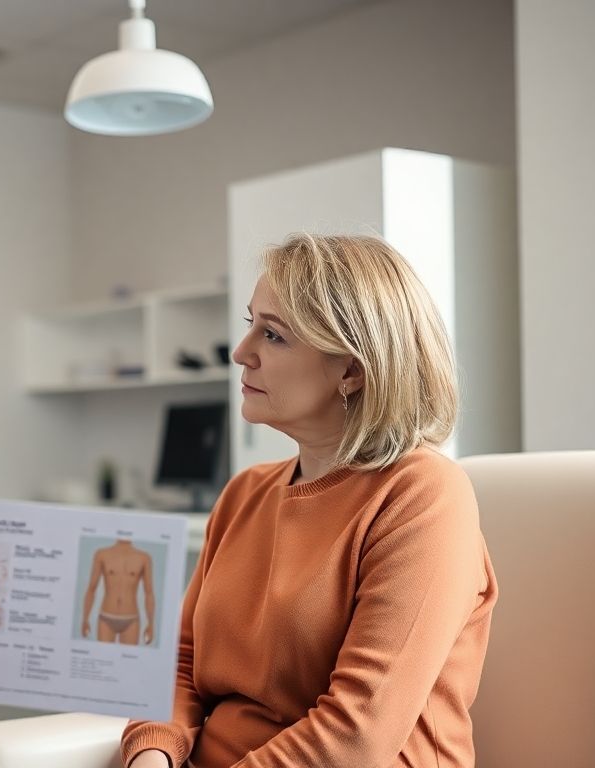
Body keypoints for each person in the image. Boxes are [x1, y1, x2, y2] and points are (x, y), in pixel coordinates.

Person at [124, 234, 498, 767]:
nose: (240, 353)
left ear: (352, 370)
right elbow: (180, 665)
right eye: (249, 323)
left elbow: (358, 734)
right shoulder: (245, 493)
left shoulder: (423, 496)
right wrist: (153, 753)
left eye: (273, 335)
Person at [80, 539, 155, 645]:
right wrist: (85, 619)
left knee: (127, 660)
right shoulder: (102, 554)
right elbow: (91, 588)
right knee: (103, 659)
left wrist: (151, 623)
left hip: (131, 619)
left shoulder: (144, 558)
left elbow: (149, 592)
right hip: (106, 617)